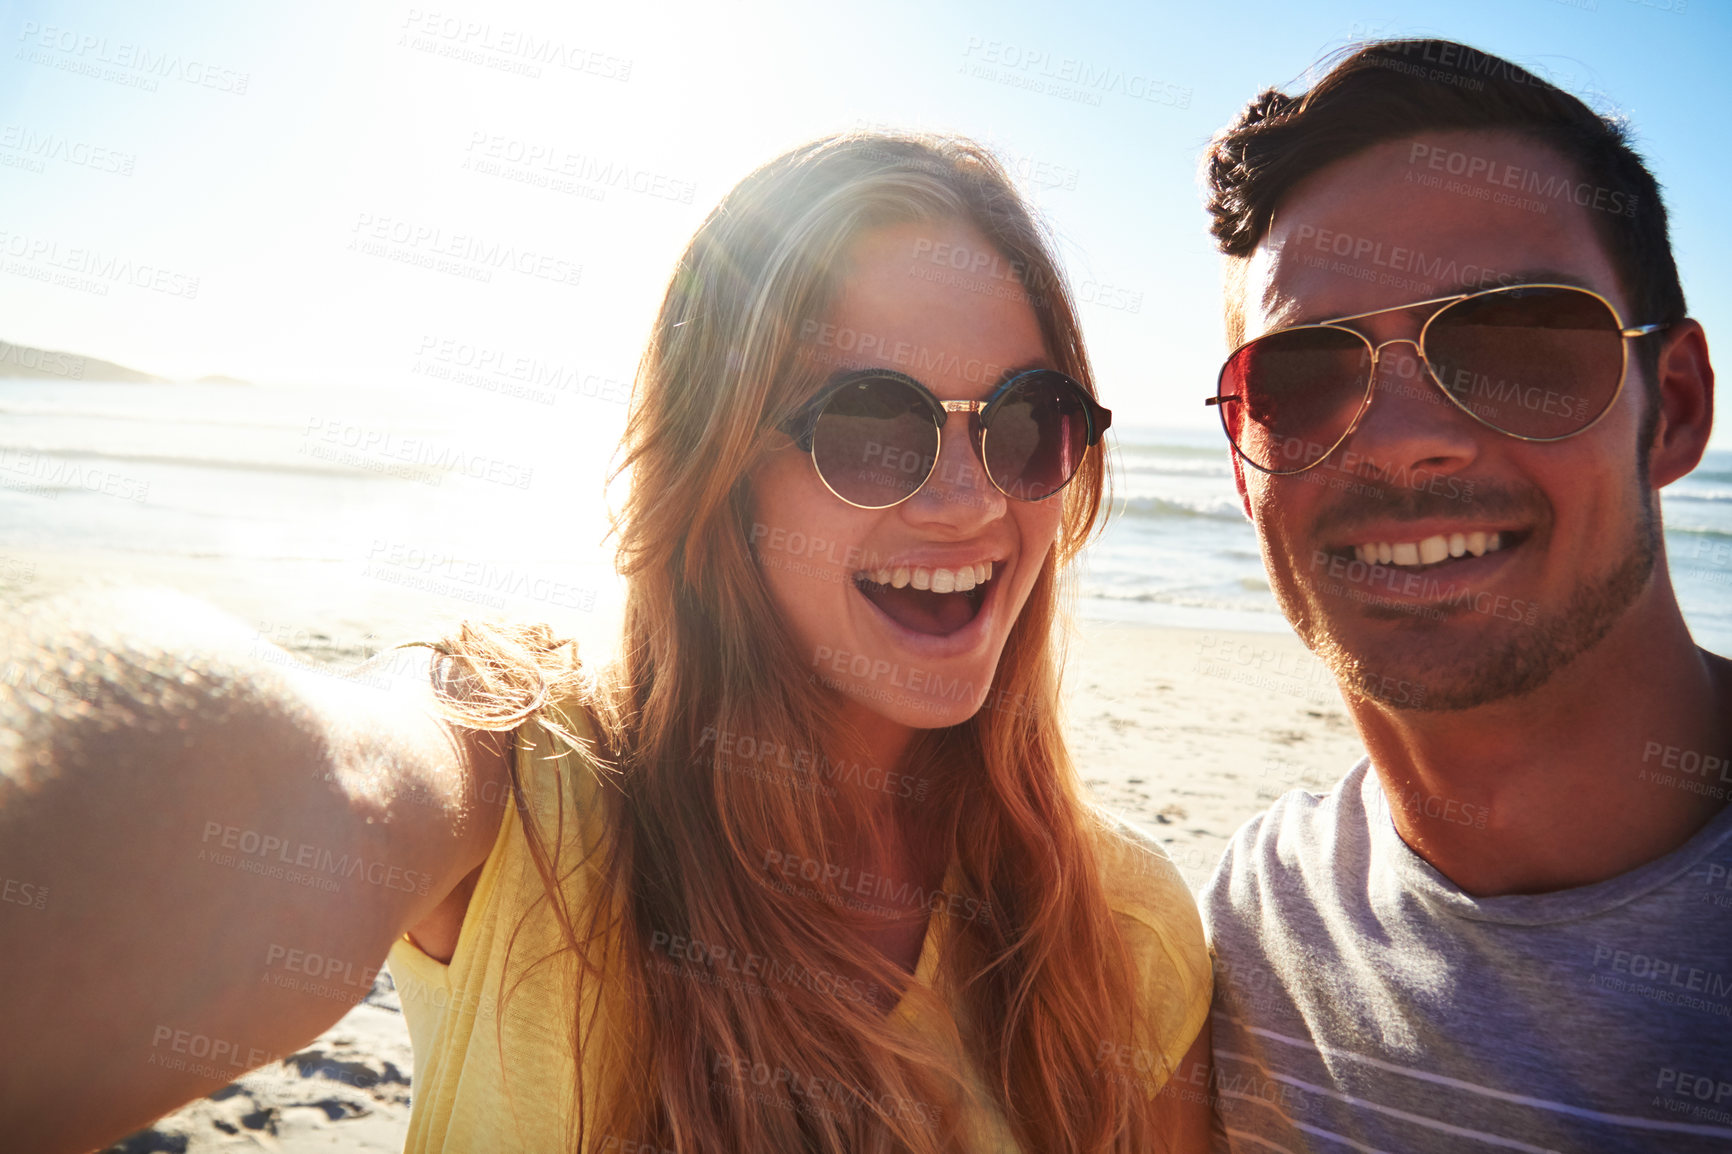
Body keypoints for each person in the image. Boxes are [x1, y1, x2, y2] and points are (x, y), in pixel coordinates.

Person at [0, 133, 1212, 1153]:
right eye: (871, 422)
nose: (965, 499)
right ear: (718, 466)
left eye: (1027, 419)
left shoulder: (1127, 928)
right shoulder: (524, 783)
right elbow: (274, 771)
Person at [1196, 38, 1731, 1153]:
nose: (1403, 444)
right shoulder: (1248, 930)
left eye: (1516, 340)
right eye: (1299, 374)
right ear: (1245, 469)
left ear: (1672, 407)